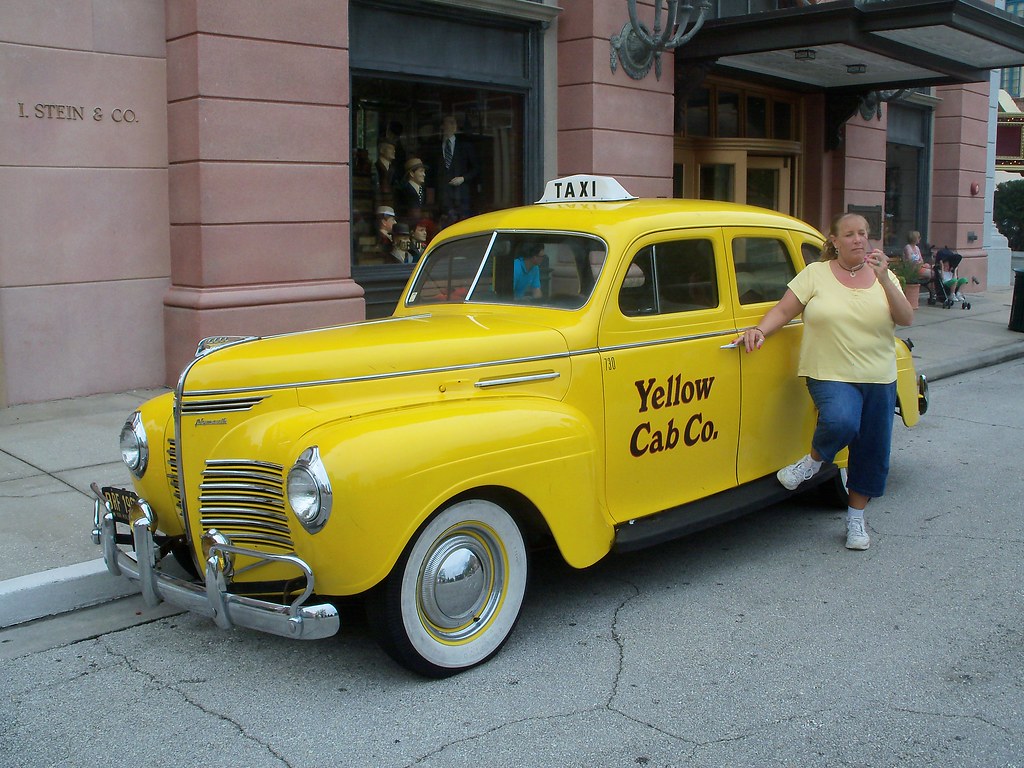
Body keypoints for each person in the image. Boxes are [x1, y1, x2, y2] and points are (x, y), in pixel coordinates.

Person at [735, 212, 914, 551]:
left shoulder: (883, 275)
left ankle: (856, 521)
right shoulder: (815, 274)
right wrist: (759, 329)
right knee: (841, 420)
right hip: (828, 371)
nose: (858, 240)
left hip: (878, 376)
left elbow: (905, 318)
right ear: (834, 240)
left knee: (871, 451)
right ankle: (813, 461)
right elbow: (785, 310)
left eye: (863, 233)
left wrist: (886, 281)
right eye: (849, 234)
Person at [436, 115, 478, 224]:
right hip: (443, 197)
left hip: (461, 197)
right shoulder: (435, 147)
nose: (453, 125)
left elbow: (476, 169)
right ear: (442, 126)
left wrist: (463, 178)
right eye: (449, 122)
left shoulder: (465, 146)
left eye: (454, 123)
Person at [393, 158, 429, 225]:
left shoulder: (422, 190)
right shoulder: (403, 191)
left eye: (424, 171)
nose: (424, 174)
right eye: (421, 171)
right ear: (412, 173)